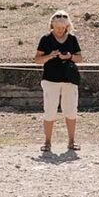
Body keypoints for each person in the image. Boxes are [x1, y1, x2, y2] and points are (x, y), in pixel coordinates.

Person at [34, 10, 83, 154]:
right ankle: (47, 142)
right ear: (52, 26)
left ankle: (71, 141)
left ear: (67, 26)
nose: (60, 30)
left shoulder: (72, 39)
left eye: (63, 27)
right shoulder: (46, 39)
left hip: (69, 79)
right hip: (50, 80)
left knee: (71, 111)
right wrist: (50, 56)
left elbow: (80, 58)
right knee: (50, 111)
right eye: (58, 27)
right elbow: (37, 60)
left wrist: (70, 57)